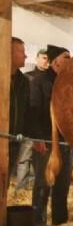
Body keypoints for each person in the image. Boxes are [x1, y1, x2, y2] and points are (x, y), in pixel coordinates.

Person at [31, 44, 73, 226]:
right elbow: (33, 111)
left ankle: (60, 220)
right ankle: (38, 221)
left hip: (65, 142)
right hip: (46, 141)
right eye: (66, 57)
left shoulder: (69, 84)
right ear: (55, 61)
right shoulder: (39, 81)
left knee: (62, 184)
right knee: (43, 182)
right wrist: (38, 138)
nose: (70, 61)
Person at [15, 49, 50, 190]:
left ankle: (38, 187)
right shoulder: (27, 77)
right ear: (37, 58)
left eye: (48, 58)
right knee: (24, 158)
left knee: (42, 160)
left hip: (43, 127)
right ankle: (21, 189)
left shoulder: (50, 80)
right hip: (27, 125)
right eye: (43, 57)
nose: (45, 61)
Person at [9, 38, 31, 186]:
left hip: (14, 140)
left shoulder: (23, 81)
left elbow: (26, 110)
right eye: (21, 51)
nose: (25, 56)